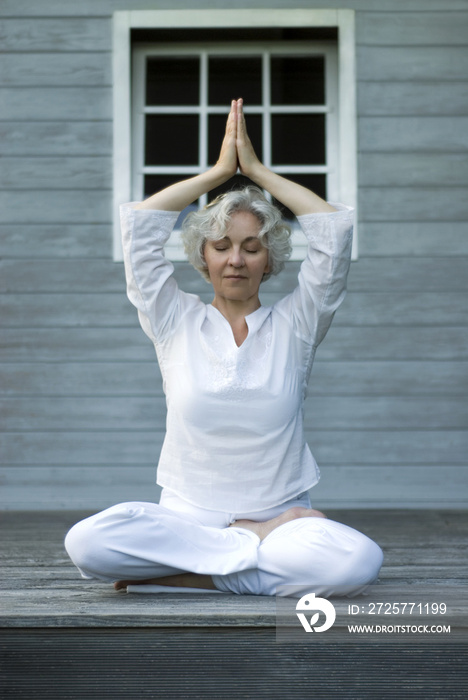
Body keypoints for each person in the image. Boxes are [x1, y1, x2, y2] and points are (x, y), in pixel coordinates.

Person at [65, 99, 383, 598]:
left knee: (359, 559)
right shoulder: (173, 319)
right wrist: (217, 173)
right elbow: (143, 230)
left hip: (282, 520)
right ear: (203, 256)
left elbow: (332, 235)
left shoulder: (298, 326)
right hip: (186, 524)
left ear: (269, 258)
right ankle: (239, 561)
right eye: (222, 246)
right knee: (86, 541)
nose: (236, 259)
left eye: (252, 247)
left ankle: (190, 578)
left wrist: (256, 172)